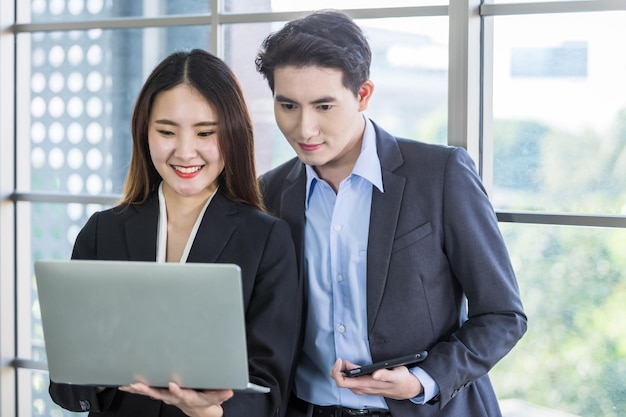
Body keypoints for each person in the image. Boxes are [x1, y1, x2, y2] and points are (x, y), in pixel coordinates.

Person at [255, 10, 527, 417]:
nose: (304, 128)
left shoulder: (440, 175)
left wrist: (424, 379)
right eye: (288, 105)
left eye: (324, 106)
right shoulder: (270, 192)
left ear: (363, 94)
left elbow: (503, 314)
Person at [48, 49, 300, 417]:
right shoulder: (103, 231)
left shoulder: (266, 240)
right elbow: (65, 390)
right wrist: (102, 368)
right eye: (166, 131)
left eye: (205, 133)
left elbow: (269, 392)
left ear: (232, 134)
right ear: (144, 132)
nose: (185, 152)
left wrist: (207, 410)